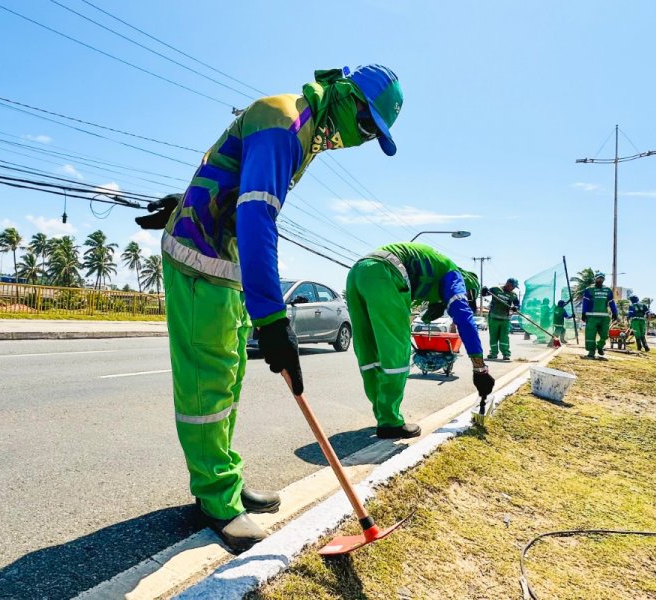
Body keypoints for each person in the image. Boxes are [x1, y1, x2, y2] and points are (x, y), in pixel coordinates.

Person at [134, 65, 403, 552]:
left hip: (225, 259)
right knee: (208, 377)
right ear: (346, 97)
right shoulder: (286, 124)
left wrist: (190, 196)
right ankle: (215, 497)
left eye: (372, 137)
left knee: (231, 372)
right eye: (366, 127)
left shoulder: (304, 129)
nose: (362, 141)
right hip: (199, 256)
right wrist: (274, 319)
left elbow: (234, 175)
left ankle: (225, 479)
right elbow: (258, 215)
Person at [346, 243, 495, 438]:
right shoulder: (454, 275)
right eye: (467, 296)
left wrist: (438, 306)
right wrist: (480, 368)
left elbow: (427, 310)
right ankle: (389, 422)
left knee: (369, 349)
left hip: (358, 272)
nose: (464, 297)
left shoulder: (436, 269)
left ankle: (383, 414)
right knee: (395, 352)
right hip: (386, 274)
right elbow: (464, 319)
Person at [581, 272, 617, 360]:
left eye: (602, 278)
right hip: (591, 316)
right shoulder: (589, 289)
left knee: (605, 335)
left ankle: (600, 346)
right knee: (590, 335)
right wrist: (583, 313)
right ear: (595, 279)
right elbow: (585, 302)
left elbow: (611, 302)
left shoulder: (608, 290)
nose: (600, 280)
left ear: (604, 279)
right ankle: (591, 352)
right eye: (598, 278)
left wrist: (615, 312)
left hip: (604, 317)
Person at [483, 278, 519, 360]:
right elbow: (484, 294)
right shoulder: (496, 289)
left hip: (505, 319)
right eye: (512, 286)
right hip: (493, 317)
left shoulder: (513, 295)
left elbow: (517, 304)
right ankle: (493, 353)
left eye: (514, 287)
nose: (513, 288)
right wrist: (484, 290)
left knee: (504, 337)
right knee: (493, 337)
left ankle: (506, 354)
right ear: (507, 284)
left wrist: (515, 307)